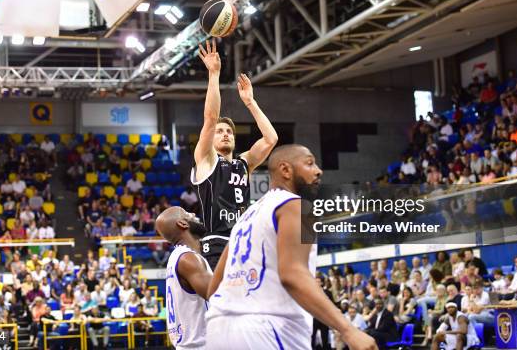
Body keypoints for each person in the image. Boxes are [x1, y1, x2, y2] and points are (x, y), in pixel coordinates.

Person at [204, 144, 377, 350]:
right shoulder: (296, 205)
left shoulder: (246, 217)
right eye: (310, 163)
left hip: (219, 331)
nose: (318, 170)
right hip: (267, 328)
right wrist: (348, 330)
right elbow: (292, 274)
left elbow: (213, 289)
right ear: (286, 170)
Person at [193, 39, 278, 268]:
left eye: (229, 131)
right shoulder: (206, 160)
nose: (225, 134)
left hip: (243, 240)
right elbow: (210, 118)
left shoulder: (243, 164)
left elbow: (271, 139)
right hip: (217, 242)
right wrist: (214, 75)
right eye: (220, 132)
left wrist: (250, 102)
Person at [155, 206, 213, 349]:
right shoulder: (188, 259)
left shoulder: (177, 258)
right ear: (183, 223)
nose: (193, 214)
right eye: (188, 214)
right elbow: (220, 296)